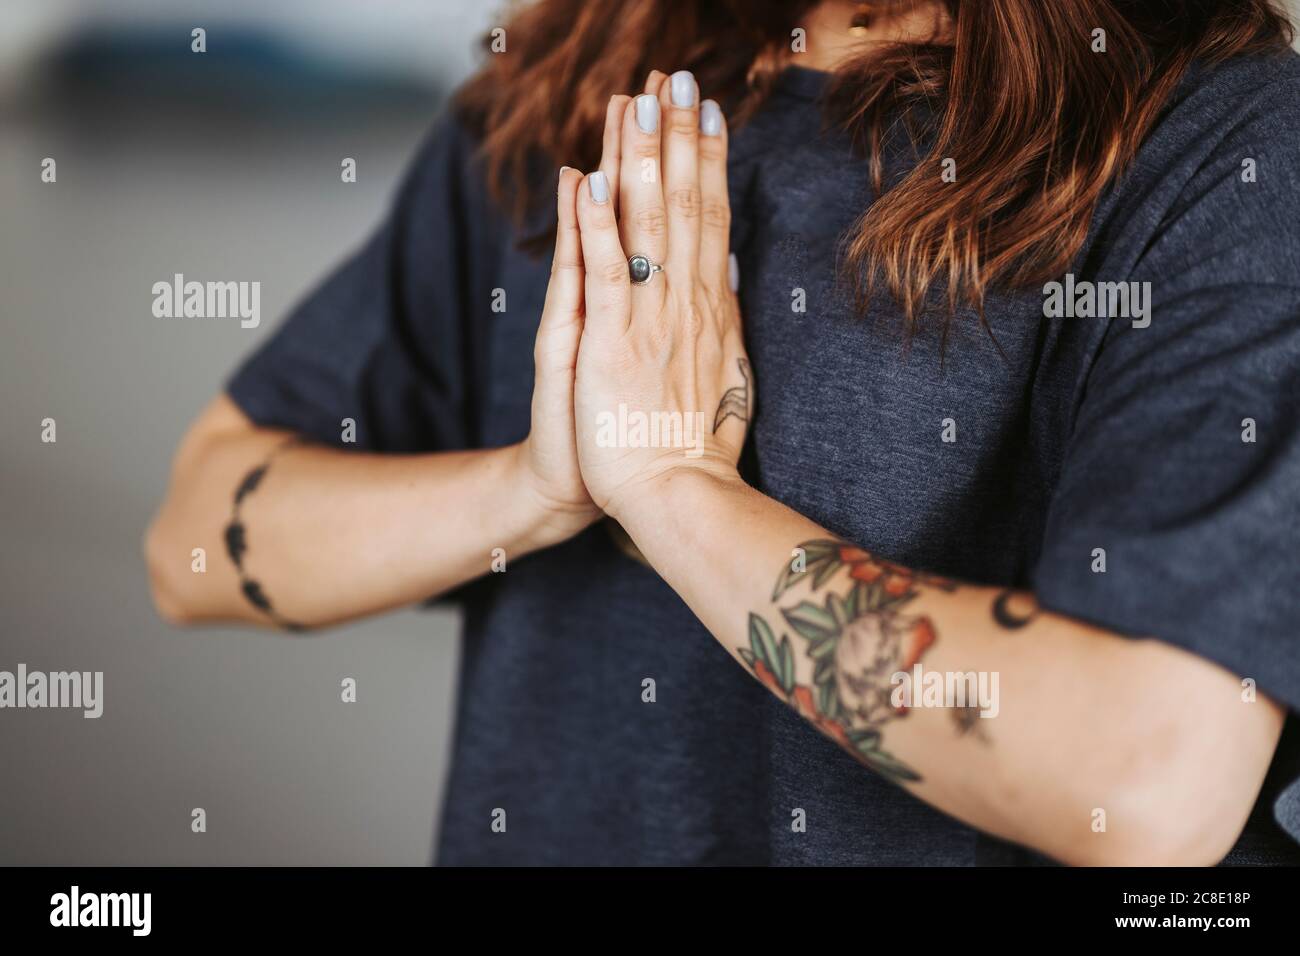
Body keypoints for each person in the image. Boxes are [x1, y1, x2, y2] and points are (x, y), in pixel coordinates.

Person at [145, 0, 1300, 865]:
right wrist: (538, 487)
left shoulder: (1226, 142)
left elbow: (1152, 773)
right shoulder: (571, 79)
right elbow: (195, 538)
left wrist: (677, 492)